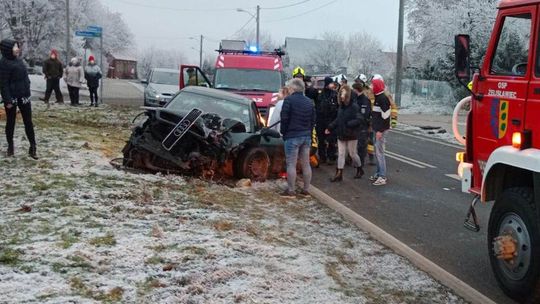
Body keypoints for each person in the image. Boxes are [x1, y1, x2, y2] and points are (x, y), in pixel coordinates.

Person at [0, 39, 37, 159]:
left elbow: (25, 77)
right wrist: (8, 100)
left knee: (28, 122)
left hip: (24, 96)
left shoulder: (19, 60)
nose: (17, 49)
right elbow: (3, 84)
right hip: (12, 98)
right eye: (15, 47)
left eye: (17, 46)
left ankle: (33, 147)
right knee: (10, 122)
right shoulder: (3, 63)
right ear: (8, 49)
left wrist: (28, 86)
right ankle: (10, 147)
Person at [280, 78, 316, 198]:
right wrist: (309, 133)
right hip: (306, 136)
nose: (288, 89)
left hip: (292, 136)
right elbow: (313, 120)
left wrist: (283, 133)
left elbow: (284, 119)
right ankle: (306, 189)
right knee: (306, 164)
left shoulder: (288, 100)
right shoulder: (309, 102)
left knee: (291, 164)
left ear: (293, 88)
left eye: (289, 87)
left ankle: (291, 190)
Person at [325, 84, 363, 182]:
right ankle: (339, 174)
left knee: (352, 154)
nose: (342, 95)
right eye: (341, 93)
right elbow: (338, 119)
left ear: (348, 95)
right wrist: (330, 127)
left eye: (344, 93)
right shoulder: (341, 107)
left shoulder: (354, 106)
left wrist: (349, 124)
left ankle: (359, 168)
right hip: (341, 133)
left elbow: (359, 119)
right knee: (341, 154)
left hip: (351, 134)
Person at [370, 75, 391, 186]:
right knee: (376, 152)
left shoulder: (383, 99)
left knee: (379, 153)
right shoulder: (378, 97)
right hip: (376, 129)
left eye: (373, 85)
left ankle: (382, 176)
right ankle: (378, 173)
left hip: (380, 131)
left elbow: (386, 117)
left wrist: (380, 131)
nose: (371, 86)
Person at [315, 76, 338, 165]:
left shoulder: (334, 95)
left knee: (332, 140)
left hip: (331, 121)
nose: (333, 85)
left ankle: (331, 156)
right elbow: (318, 108)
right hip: (321, 121)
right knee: (321, 140)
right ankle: (322, 156)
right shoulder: (321, 95)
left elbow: (337, 108)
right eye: (331, 83)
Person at [353, 80, 371, 174]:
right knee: (356, 146)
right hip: (356, 126)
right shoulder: (355, 99)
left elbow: (365, 114)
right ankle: (358, 164)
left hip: (362, 126)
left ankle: (360, 165)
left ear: (357, 90)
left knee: (361, 146)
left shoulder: (364, 100)